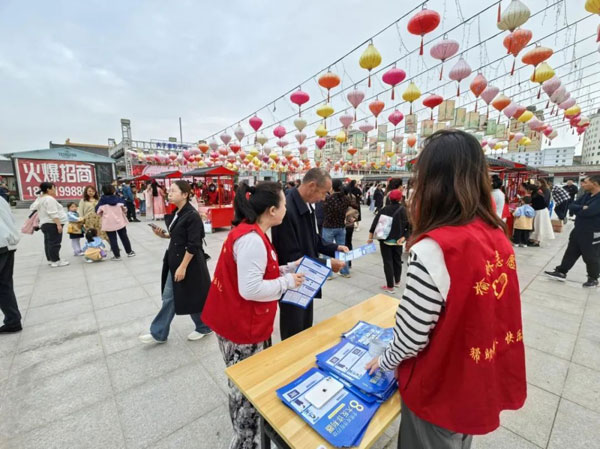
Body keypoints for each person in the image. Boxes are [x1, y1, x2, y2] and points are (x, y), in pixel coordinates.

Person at [365, 130, 526, 449]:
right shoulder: (496, 235)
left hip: (440, 389)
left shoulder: (436, 248)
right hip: (473, 380)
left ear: (432, 182)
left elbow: (412, 338)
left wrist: (384, 359)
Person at [202, 182, 304, 448]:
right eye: (283, 204)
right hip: (240, 328)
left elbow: (256, 272)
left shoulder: (252, 232)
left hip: (233, 320)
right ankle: (246, 442)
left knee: (243, 385)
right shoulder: (252, 240)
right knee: (246, 392)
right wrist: (288, 283)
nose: (286, 208)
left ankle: (248, 436)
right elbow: (251, 289)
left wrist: (285, 269)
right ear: (272, 210)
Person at [271, 168, 348, 340]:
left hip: (307, 278)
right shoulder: (287, 210)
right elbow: (290, 256)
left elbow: (313, 238)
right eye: (323, 192)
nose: (324, 198)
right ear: (312, 186)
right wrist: (328, 265)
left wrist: (334, 248)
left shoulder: (308, 206)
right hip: (292, 281)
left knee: (305, 327)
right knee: (293, 329)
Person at [140, 181, 212, 343]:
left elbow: (194, 244)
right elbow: (179, 235)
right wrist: (163, 235)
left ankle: (160, 332)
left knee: (182, 296)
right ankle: (201, 326)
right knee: (178, 296)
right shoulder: (179, 212)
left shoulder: (192, 215)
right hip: (176, 260)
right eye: (169, 191)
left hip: (189, 262)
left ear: (185, 194)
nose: (169, 193)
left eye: (173, 191)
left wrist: (183, 267)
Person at [545, 175, 600, 288]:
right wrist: (581, 208)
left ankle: (593, 278)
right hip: (578, 229)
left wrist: (580, 209)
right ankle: (561, 271)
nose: (583, 185)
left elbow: (589, 212)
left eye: (585, 182)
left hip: (592, 232)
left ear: (595, 184)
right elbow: (571, 205)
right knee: (571, 252)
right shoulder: (587, 195)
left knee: (591, 256)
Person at [367, 189, 409, 293]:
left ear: (390, 198)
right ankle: (397, 281)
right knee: (397, 261)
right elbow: (410, 227)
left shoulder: (384, 209)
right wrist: (404, 237)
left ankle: (390, 286)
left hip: (385, 240)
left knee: (388, 262)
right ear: (400, 199)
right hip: (398, 241)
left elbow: (374, 225)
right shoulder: (404, 211)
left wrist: (370, 238)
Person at [30, 182, 69, 267]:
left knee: (48, 242)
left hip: (45, 224)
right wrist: (58, 224)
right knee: (55, 243)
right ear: (48, 189)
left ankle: (51, 259)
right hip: (52, 224)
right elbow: (53, 213)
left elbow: (32, 207)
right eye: (54, 188)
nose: (55, 190)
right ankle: (56, 261)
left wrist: (39, 197)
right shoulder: (49, 199)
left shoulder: (40, 198)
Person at [96, 185, 136, 261]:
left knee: (112, 239)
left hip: (108, 223)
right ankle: (130, 252)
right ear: (113, 191)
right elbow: (125, 209)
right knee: (124, 237)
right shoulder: (119, 200)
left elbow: (98, 212)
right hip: (120, 222)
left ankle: (117, 256)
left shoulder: (102, 202)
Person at [0, 195, 22, 333]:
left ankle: (13, 320)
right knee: (4, 285)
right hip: (8, 243)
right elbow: (11, 219)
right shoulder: (1, 199)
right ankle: (13, 320)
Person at [322, 179, 351, 279]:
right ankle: (345, 271)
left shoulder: (328, 198)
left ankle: (328, 274)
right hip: (341, 227)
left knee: (326, 250)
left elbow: (324, 211)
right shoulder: (346, 199)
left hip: (328, 226)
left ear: (332, 187)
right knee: (342, 250)